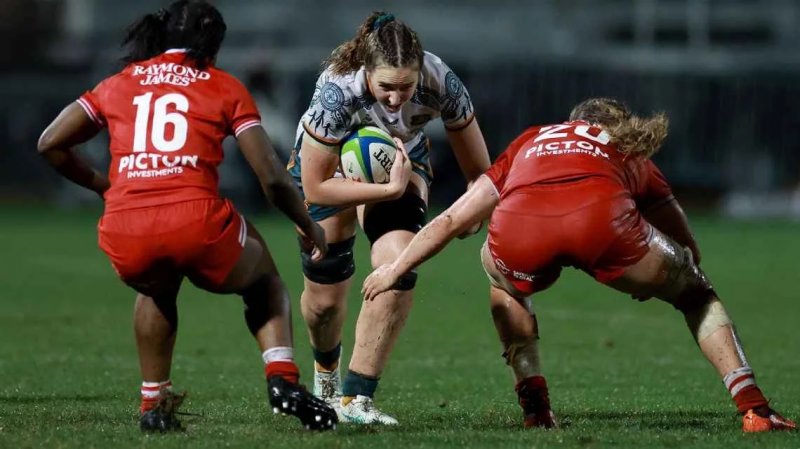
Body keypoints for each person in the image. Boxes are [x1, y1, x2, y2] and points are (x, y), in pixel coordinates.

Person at [362, 98, 796, 432]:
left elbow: (454, 218)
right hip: (602, 225)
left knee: (501, 280)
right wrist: (682, 269)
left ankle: (536, 409)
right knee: (697, 295)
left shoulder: (530, 139)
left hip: (521, 233)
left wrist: (395, 268)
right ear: (613, 124)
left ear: (572, 120)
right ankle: (754, 408)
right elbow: (672, 218)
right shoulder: (622, 145)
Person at [37, 0, 336, 432]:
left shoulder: (118, 83)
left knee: (157, 289)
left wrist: (104, 187)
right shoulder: (223, 85)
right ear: (213, 45)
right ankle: (283, 381)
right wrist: (308, 224)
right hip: (195, 220)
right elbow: (271, 177)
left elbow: (50, 143)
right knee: (265, 281)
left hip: (125, 226)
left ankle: (154, 405)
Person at [287, 11, 490, 424]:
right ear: (366, 72)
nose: (396, 100)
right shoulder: (337, 93)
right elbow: (316, 187)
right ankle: (325, 377)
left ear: (419, 74)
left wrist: (476, 209)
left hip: (400, 160)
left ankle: (356, 400)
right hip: (331, 168)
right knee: (325, 300)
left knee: (399, 264)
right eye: (386, 88)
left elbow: (479, 173)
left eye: (405, 87)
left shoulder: (442, 83)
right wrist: (387, 190)